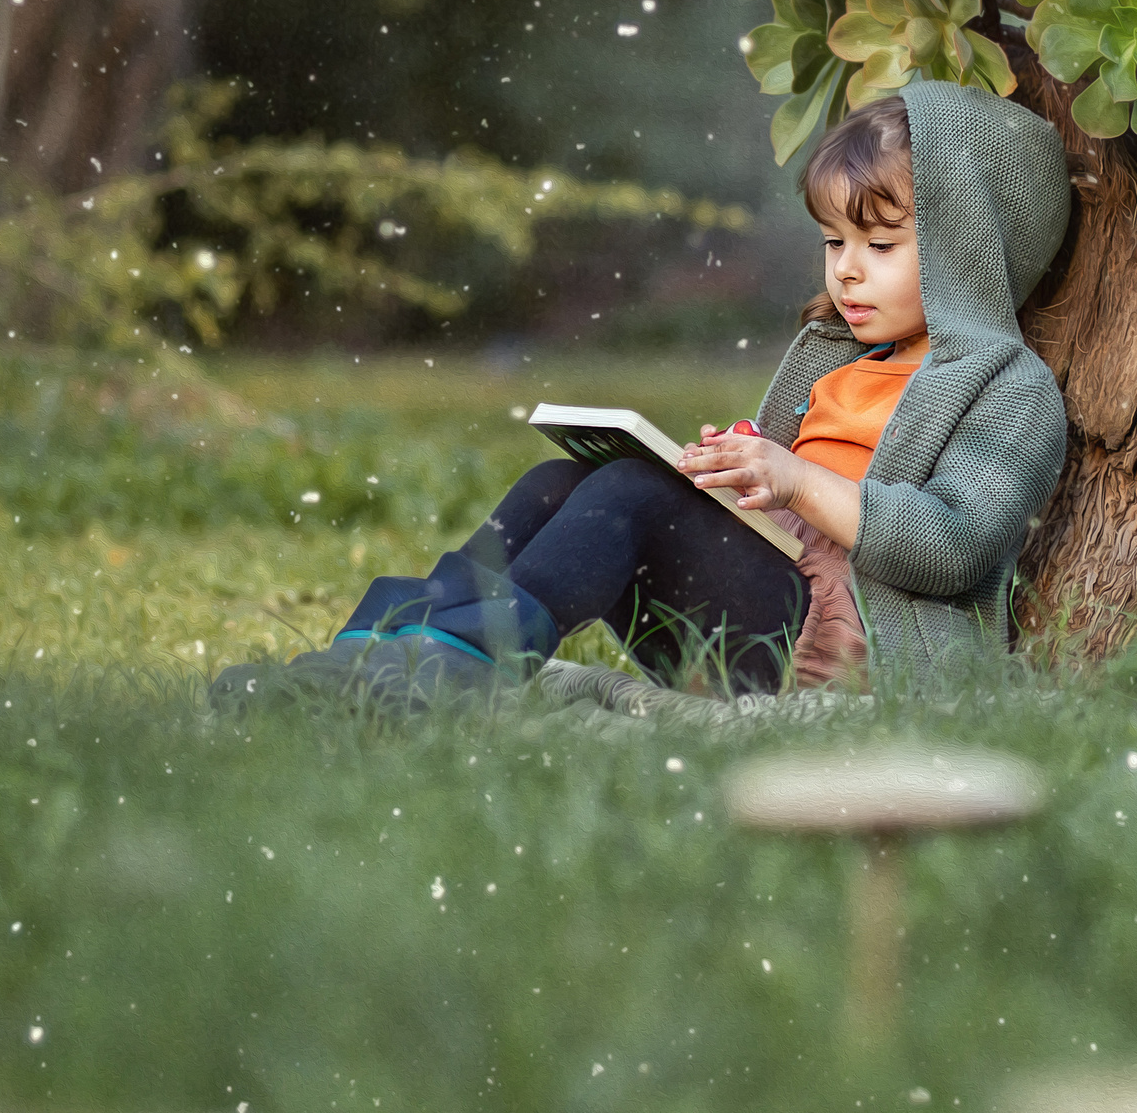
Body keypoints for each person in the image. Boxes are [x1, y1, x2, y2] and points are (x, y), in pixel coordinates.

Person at [211, 80, 1070, 707]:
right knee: (561, 483)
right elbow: (785, 505)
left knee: (629, 495)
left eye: (879, 244)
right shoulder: (837, 361)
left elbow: (956, 544)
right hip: (773, 603)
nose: (846, 267)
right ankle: (392, 649)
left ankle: (451, 676)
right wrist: (733, 473)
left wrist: (800, 482)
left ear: (972, 245)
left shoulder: (1009, 390)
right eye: (832, 240)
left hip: (859, 646)